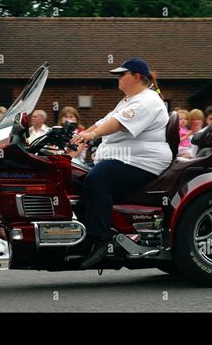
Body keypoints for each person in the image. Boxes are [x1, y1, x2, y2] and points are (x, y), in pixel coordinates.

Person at [70, 58, 172, 268]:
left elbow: (116, 124)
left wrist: (92, 135)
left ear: (135, 77)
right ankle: (86, 234)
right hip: (123, 157)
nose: (118, 78)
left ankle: (101, 240)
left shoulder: (147, 100)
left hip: (142, 160)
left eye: (121, 74)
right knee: (75, 177)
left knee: (98, 181)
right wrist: (76, 136)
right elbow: (103, 122)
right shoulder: (128, 100)